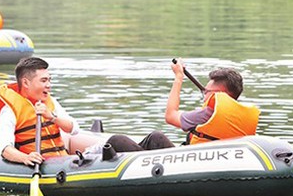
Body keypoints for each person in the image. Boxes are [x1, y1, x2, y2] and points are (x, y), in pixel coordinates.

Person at [107, 59, 260, 151]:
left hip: (193, 169)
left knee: (121, 141)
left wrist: (179, 77)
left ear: (220, 94)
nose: (204, 96)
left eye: (206, 91)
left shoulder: (207, 114)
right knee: (155, 139)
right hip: (213, 166)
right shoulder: (241, 119)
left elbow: (170, 116)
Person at [0, 57, 95, 166]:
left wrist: (52, 117)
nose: (49, 85)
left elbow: (74, 129)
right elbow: (5, 148)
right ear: (26, 83)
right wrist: (25, 158)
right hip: (41, 164)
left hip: (63, 160)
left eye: (49, 80)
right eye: (43, 81)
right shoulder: (9, 112)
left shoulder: (50, 101)